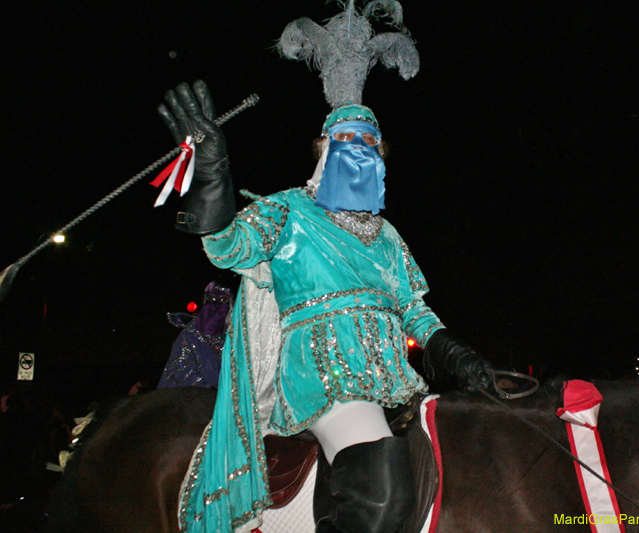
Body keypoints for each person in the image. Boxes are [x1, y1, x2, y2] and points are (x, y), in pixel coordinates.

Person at [157, 4, 493, 533]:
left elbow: (412, 310)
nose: (358, 148)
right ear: (323, 149)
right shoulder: (288, 210)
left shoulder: (387, 236)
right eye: (346, 140)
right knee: (383, 498)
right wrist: (215, 175)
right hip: (323, 379)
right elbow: (224, 246)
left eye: (369, 142)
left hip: (392, 380)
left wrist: (462, 358)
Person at [157, 281, 233, 389]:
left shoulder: (231, 334)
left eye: (223, 300)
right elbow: (179, 367)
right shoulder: (190, 333)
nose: (216, 305)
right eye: (211, 299)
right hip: (193, 394)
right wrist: (205, 386)